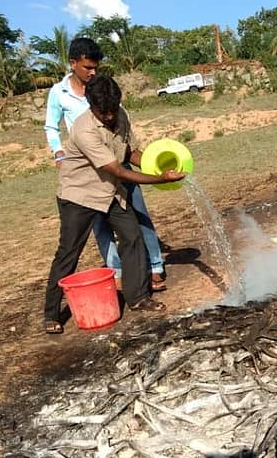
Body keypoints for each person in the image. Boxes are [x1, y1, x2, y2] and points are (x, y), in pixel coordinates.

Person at [43, 75, 184, 334]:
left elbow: (130, 152)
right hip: (80, 196)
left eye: (112, 110)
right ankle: (51, 313)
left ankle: (139, 297)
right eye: (102, 112)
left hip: (110, 192)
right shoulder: (83, 129)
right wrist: (158, 179)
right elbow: (117, 169)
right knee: (68, 253)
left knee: (132, 237)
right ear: (90, 104)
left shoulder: (121, 115)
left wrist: (160, 166)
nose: (109, 117)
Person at [45, 37, 168, 291]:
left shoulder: (106, 91)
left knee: (138, 217)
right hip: (92, 172)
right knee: (100, 227)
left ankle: (154, 267)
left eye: (96, 67)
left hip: (117, 161)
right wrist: (59, 154)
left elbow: (127, 144)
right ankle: (117, 273)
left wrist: (156, 166)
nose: (93, 72)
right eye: (88, 67)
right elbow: (51, 126)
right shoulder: (59, 93)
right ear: (73, 63)